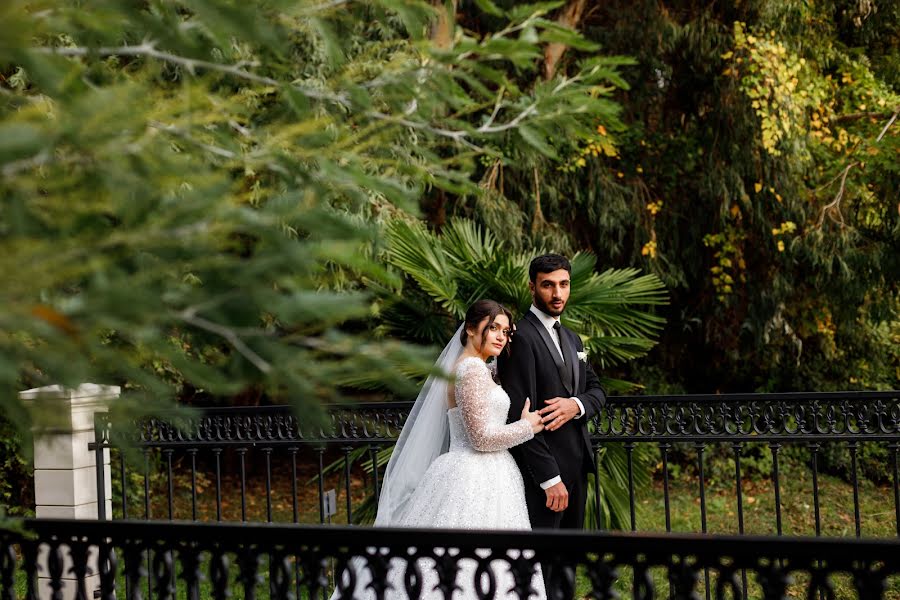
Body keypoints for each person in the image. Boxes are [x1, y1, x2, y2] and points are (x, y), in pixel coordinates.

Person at [334, 299, 546, 600]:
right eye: (494, 328)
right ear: (471, 329)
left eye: (506, 331)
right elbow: (481, 439)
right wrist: (527, 427)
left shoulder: (477, 367)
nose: (501, 336)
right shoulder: (470, 369)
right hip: (474, 475)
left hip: (490, 476)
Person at [497, 254, 607, 595]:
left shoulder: (573, 339)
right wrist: (549, 478)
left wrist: (575, 404)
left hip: (577, 470)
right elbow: (519, 413)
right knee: (543, 567)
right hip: (545, 477)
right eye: (548, 285)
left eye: (563, 284)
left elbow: (598, 390)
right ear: (532, 287)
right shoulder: (519, 338)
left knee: (568, 565)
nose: (557, 293)